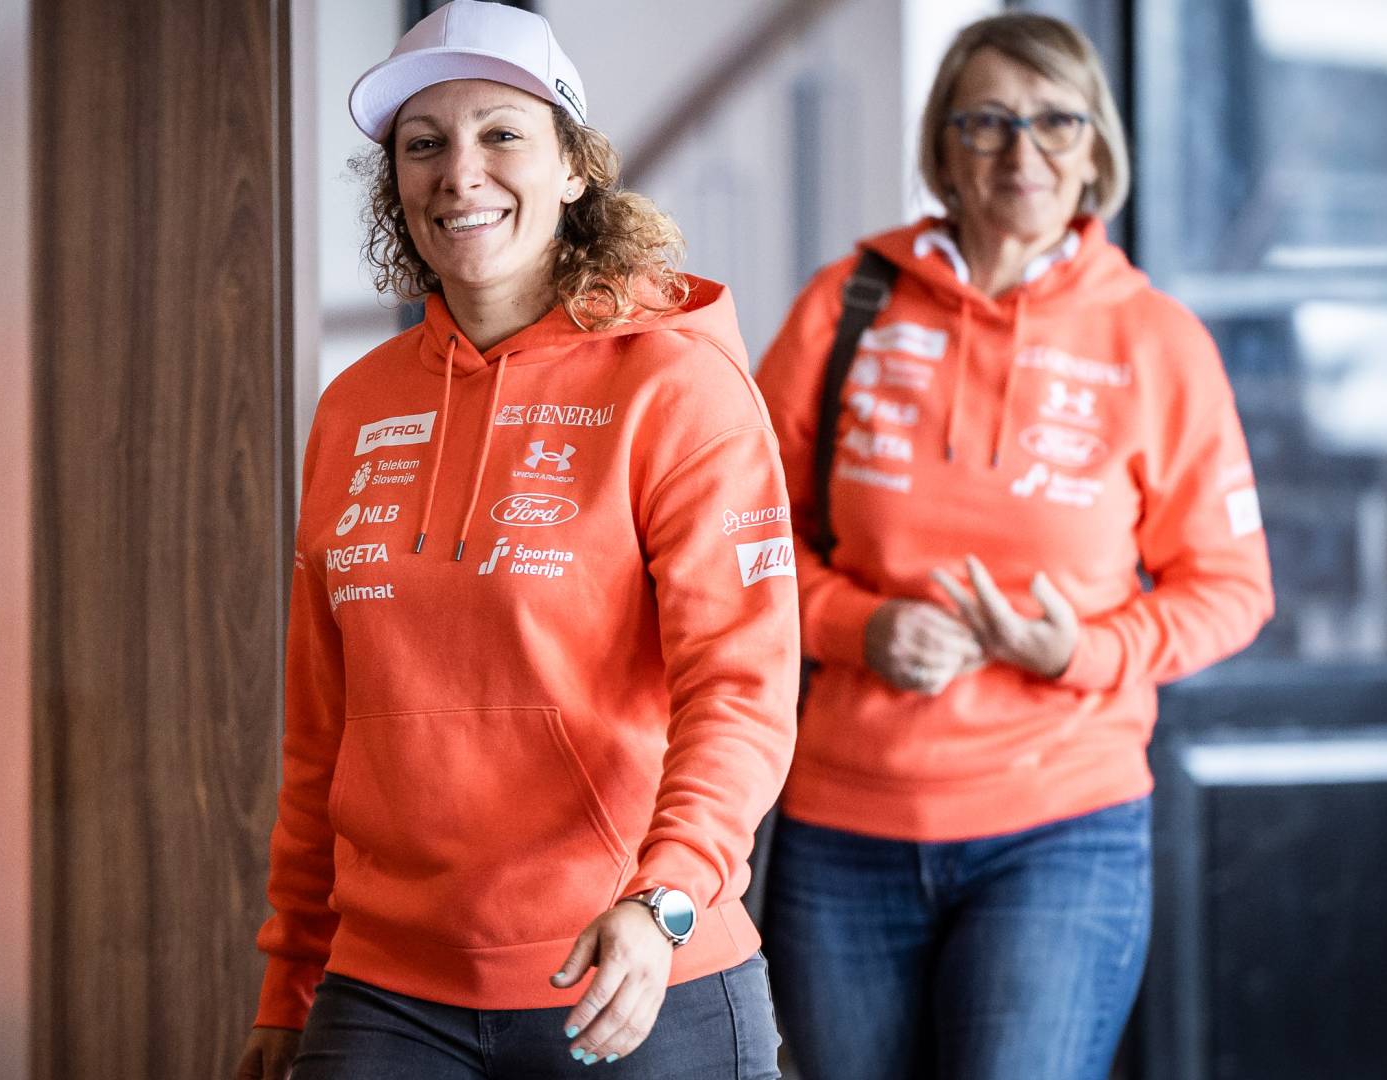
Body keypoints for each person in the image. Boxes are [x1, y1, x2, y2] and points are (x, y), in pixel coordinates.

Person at [237, 3, 797, 1078]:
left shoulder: (675, 388)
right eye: (424, 144)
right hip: (388, 989)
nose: (461, 174)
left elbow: (741, 690)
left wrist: (666, 900)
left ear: (575, 168)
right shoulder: (356, 406)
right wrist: (292, 972)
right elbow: (324, 730)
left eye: (501, 133)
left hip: (632, 975)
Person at [752, 13, 1274, 1080]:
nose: (1021, 150)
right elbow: (740, 545)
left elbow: (1231, 587)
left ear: (1096, 148)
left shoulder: (1156, 341)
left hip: (1062, 826)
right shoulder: (845, 307)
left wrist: (1079, 651)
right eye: (986, 121)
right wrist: (858, 627)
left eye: (1054, 120)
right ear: (944, 148)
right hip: (843, 827)